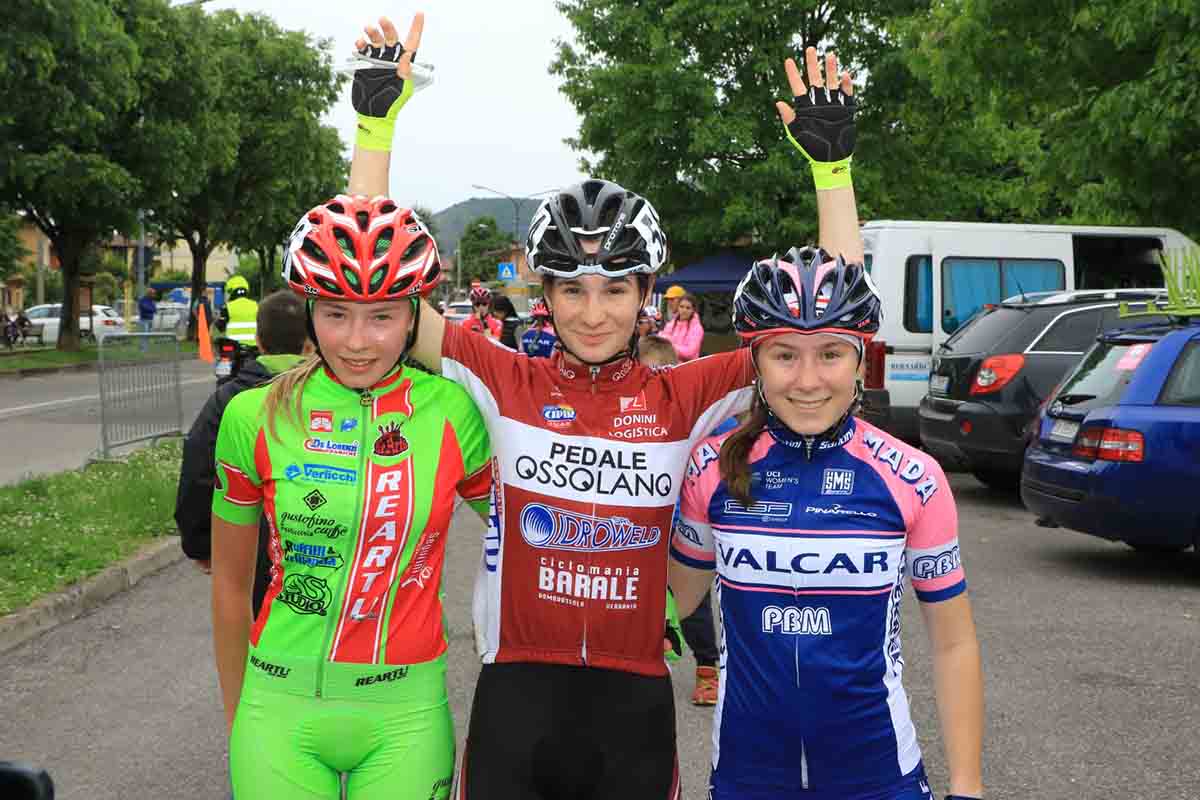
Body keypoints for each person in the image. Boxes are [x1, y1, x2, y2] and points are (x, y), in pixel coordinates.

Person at [349, 16, 863, 798]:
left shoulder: (683, 393)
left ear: (646, 293)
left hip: (634, 699)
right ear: (545, 296)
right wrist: (374, 129)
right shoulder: (506, 379)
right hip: (516, 694)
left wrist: (833, 173)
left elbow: (829, 317)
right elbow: (369, 279)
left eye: (616, 289)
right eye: (573, 291)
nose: (594, 314)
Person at [669, 249, 985, 800]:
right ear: (755, 363)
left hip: (878, 774)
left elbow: (954, 645)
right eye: (785, 355)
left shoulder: (913, 476)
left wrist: (967, 787)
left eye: (831, 354)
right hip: (747, 772)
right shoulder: (711, 468)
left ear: (861, 361)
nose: (809, 380)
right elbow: (675, 602)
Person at [211, 195, 492, 800]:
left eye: (382, 316)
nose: (358, 341)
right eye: (336, 314)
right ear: (309, 311)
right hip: (277, 705)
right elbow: (230, 586)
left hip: (406, 713)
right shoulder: (253, 415)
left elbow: (527, 535)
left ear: (414, 317)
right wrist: (239, 717)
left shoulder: (453, 412)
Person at [176, 290, 313, 618]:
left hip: (250, 551)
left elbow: (200, 470)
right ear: (309, 344)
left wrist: (200, 543)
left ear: (259, 341)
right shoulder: (331, 399)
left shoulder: (228, 400)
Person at [638, 334, 723, 706]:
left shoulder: (695, 412)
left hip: (685, 527)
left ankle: (708, 668)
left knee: (694, 605)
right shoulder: (630, 415)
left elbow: (727, 435)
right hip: (641, 529)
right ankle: (645, 662)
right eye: (648, 375)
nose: (657, 383)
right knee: (639, 598)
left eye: (664, 374)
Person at [662, 290, 705, 361]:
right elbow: (661, 344)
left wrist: (669, 346)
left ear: (693, 310)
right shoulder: (670, 325)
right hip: (668, 364)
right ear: (678, 307)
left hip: (687, 366)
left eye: (688, 308)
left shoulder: (697, 329)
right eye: (681, 306)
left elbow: (690, 353)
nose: (684, 310)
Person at [217, 275, 259, 347]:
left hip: (233, 347)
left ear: (231, 291)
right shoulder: (256, 305)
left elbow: (221, 328)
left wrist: (217, 319)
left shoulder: (227, 307)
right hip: (253, 346)